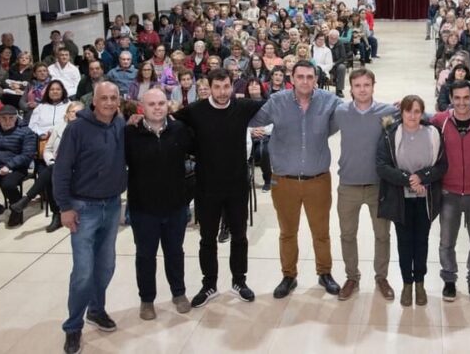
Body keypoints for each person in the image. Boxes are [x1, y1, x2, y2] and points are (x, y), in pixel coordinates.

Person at [169, 69, 265, 307]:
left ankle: (239, 281)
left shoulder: (243, 107)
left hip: (237, 185)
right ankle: (209, 284)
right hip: (207, 186)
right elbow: (169, 120)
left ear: (233, 86)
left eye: (226, 87)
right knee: (207, 238)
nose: (222, 92)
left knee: (239, 236)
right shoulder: (195, 110)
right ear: (209, 87)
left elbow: (274, 106)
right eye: (217, 87)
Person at [249, 60, 343, 299]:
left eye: (310, 77)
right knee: (287, 232)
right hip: (284, 181)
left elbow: (355, 114)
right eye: (300, 77)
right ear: (291, 78)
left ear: (316, 79)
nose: (305, 81)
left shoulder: (329, 101)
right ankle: (288, 276)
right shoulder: (277, 102)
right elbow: (251, 119)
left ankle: (325, 273)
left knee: (321, 232)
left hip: (318, 180)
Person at [52, 82, 126, 354]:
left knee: (106, 266)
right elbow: (61, 170)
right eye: (103, 98)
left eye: (113, 98)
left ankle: (96, 309)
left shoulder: (120, 124)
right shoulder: (77, 129)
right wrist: (65, 207)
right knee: (83, 271)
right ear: (93, 101)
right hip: (83, 207)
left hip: (112, 204)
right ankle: (73, 327)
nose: (109, 102)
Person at [125, 89, 194, 321]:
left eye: (161, 103)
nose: (157, 108)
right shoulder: (130, 133)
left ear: (168, 105)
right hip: (143, 208)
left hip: (175, 206)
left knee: (175, 252)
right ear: (142, 107)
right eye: (152, 104)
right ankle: (147, 299)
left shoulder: (179, 130)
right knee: (145, 255)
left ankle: (179, 293)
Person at [330, 69, 398, 301]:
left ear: (373, 86)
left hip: (378, 185)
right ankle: (352, 277)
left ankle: (382, 277)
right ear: (351, 88)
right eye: (357, 85)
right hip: (348, 185)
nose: (362, 89)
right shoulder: (341, 112)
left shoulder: (387, 112)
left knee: (382, 235)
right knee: (347, 234)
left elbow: (417, 115)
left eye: (366, 85)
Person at [377, 95, 446, 307]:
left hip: (425, 200)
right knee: (404, 242)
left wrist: (422, 177)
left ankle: (420, 283)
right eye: (408, 111)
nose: (412, 116)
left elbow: (442, 165)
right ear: (402, 112)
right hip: (401, 200)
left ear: (422, 113)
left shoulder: (433, 133)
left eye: (417, 111)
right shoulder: (391, 134)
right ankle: (407, 283)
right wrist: (409, 179)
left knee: (421, 242)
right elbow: (382, 166)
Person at [430, 80, 470, 303]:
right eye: (457, 98)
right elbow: (418, 119)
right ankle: (449, 280)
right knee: (447, 242)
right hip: (449, 192)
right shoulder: (440, 121)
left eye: (466, 98)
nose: (462, 103)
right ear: (450, 99)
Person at [10, 101, 85, 232]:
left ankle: (28, 199)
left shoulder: (87, 130)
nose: (75, 115)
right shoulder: (58, 128)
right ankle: (56, 213)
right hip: (57, 165)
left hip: (79, 168)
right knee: (52, 172)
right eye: (73, 112)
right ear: (67, 114)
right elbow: (48, 149)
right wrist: (51, 161)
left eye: (79, 112)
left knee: (52, 172)